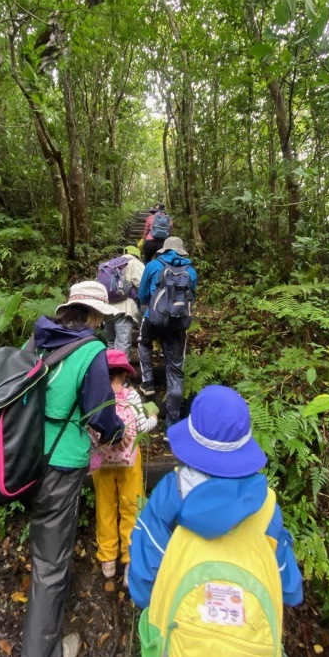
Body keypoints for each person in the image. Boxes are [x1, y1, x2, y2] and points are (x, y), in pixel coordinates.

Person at [129, 385, 303, 657]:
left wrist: (150, 602)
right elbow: (289, 587)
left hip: (180, 638)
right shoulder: (266, 506)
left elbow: (145, 569)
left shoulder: (171, 494)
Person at [21, 281, 127, 657]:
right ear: (95, 314)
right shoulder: (92, 350)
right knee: (51, 566)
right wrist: (120, 430)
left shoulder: (38, 340)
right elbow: (102, 416)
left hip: (25, 457)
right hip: (62, 464)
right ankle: (42, 651)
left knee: (43, 548)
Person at [91, 349, 158, 589]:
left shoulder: (95, 397)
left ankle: (107, 558)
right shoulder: (132, 396)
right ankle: (130, 558)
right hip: (129, 462)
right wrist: (154, 419)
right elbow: (142, 427)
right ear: (124, 373)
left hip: (102, 463)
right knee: (131, 505)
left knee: (105, 507)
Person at [137, 236, 197, 434]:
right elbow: (192, 297)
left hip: (153, 318)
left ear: (165, 249)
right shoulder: (191, 271)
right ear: (181, 251)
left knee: (144, 343)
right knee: (175, 370)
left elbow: (143, 294)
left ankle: (148, 383)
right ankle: (171, 423)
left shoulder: (153, 265)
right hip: (178, 324)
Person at [103, 246, 145, 359]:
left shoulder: (111, 264)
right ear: (137, 255)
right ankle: (120, 373)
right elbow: (142, 285)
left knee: (111, 343)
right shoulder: (136, 263)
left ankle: (108, 372)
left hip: (107, 308)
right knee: (122, 345)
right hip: (124, 309)